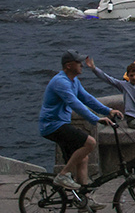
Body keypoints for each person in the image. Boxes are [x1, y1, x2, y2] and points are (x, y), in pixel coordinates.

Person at [39, 50, 123, 211]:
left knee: (83, 158)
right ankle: (63, 175)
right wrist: (95, 119)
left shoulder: (74, 81)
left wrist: (108, 111)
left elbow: (87, 98)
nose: (81, 64)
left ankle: (84, 201)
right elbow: (74, 103)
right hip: (52, 125)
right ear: (68, 66)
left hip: (61, 124)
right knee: (90, 142)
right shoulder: (60, 82)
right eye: (78, 62)